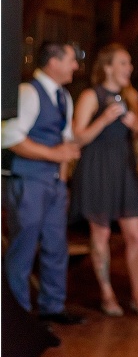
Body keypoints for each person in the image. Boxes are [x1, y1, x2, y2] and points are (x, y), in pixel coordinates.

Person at [1, 41, 84, 324]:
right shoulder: (28, 93)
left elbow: (65, 141)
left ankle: (52, 307)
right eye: (71, 60)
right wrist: (54, 154)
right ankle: (18, 316)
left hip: (53, 184)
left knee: (56, 247)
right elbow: (9, 138)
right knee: (23, 249)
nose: (75, 66)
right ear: (53, 62)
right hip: (29, 181)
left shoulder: (64, 96)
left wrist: (63, 182)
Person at [69, 43, 138, 317]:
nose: (129, 68)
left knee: (135, 234)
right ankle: (107, 295)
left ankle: (137, 296)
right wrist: (103, 120)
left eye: (129, 63)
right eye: (123, 63)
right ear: (107, 67)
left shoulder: (131, 95)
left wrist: (135, 125)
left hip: (124, 168)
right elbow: (78, 137)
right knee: (101, 232)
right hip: (97, 168)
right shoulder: (91, 96)